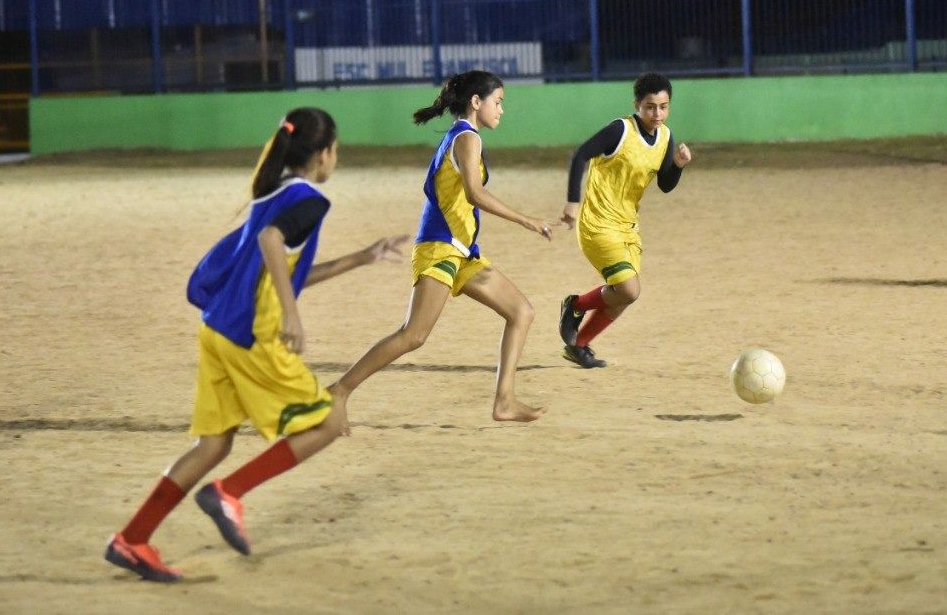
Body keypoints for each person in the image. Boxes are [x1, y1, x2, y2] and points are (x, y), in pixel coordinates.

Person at [104, 107, 406, 582]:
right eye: (336, 150)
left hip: (217, 328)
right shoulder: (309, 200)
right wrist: (291, 313)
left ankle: (132, 539)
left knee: (213, 445)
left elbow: (283, 269)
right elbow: (270, 243)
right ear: (324, 153)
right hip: (251, 336)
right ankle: (228, 493)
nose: (335, 159)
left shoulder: (272, 191)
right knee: (327, 421)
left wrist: (364, 257)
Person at [328, 70, 549, 425]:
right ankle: (338, 392)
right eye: (498, 102)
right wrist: (529, 221)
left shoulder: (464, 136)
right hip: (440, 248)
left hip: (461, 251)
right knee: (413, 335)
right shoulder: (466, 138)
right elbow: (475, 193)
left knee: (521, 311)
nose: (502, 110)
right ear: (476, 102)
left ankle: (504, 401)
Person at [557, 73, 692, 367]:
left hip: (628, 228)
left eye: (663, 106)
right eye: (650, 107)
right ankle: (576, 305)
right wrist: (572, 201)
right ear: (637, 105)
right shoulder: (621, 130)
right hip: (597, 224)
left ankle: (579, 345)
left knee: (622, 296)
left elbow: (665, 184)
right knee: (629, 289)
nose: (657, 114)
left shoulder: (666, 137)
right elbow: (580, 155)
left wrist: (678, 166)